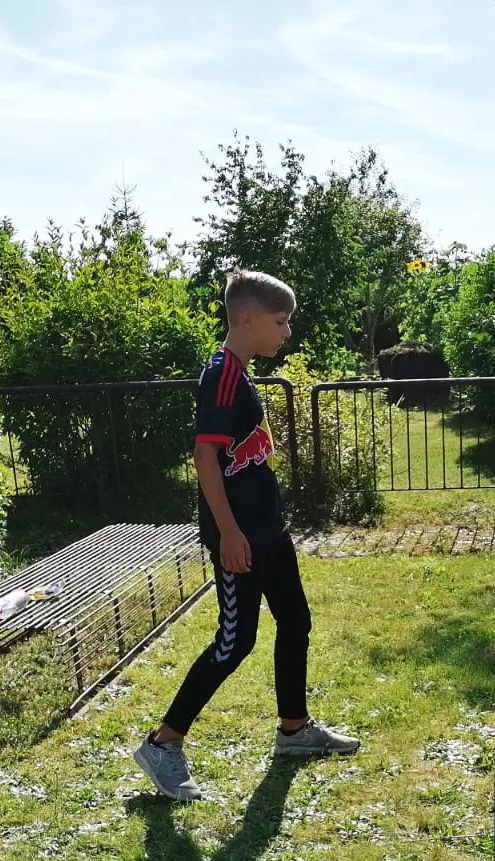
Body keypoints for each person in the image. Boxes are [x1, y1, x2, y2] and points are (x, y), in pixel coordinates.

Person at [134, 269, 360, 800]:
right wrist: (229, 533)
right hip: (240, 538)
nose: (287, 332)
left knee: (296, 621)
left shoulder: (241, 372)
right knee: (235, 642)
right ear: (248, 319)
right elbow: (205, 458)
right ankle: (164, 743)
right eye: (281, 322)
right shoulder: (221, 374)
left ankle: (294, 730)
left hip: (269, 532)